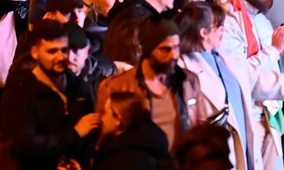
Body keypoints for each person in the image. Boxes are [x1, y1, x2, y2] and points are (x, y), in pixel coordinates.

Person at [176, 1, 284, 169]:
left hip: (241, 141)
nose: (224, 30)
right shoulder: (184, 70)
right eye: (219, 26)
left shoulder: (224, 59)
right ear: (203, 33)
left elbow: (264, 80)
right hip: (211, 152)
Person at [0, 20, 99, 169]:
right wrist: (74, 133)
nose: (60, 57)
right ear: (35, 52)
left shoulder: (78, 86)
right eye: (52, 51)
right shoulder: (20, 92)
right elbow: (26, 145)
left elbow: (90, 133)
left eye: (64, 50)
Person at [97, 17, 200, 150]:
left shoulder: (188, 81)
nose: (174, 55)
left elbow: (199, 126)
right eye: (165, 49)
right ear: (145, 49)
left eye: (176, 47)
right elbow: (104, 140)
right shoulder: (116, 87)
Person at [93, 91, 173, 170]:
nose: (101, 118)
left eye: (105, 113)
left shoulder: (128, 161)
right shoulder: (116, 147)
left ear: (118, 119)